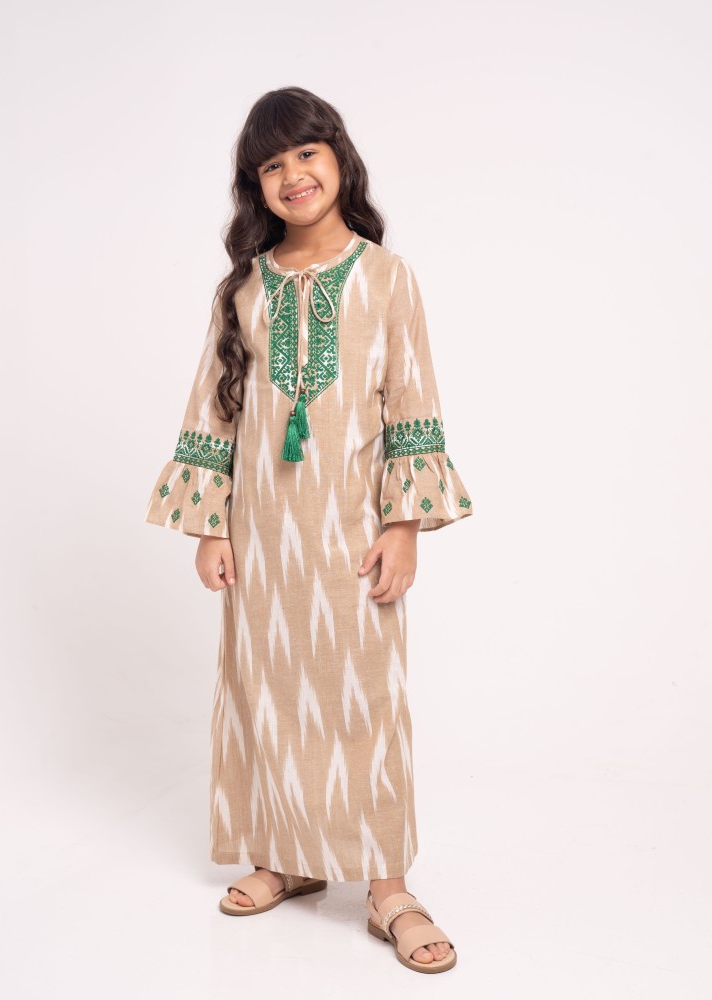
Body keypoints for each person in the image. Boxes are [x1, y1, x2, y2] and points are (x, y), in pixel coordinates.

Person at [144, 86, 473, 974]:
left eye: (306, 152)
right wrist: (210, 527)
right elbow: (216, 407)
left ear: (339, 160)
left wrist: (404, 525)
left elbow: (411, 401)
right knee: (265, 690)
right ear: (254, 186)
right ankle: (287, 857)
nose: (292, 173)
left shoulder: (386, 277)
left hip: (352, 532)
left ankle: (388, 887)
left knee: (363, 697)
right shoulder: (244, 288)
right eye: (271, 163)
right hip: (261, 535)